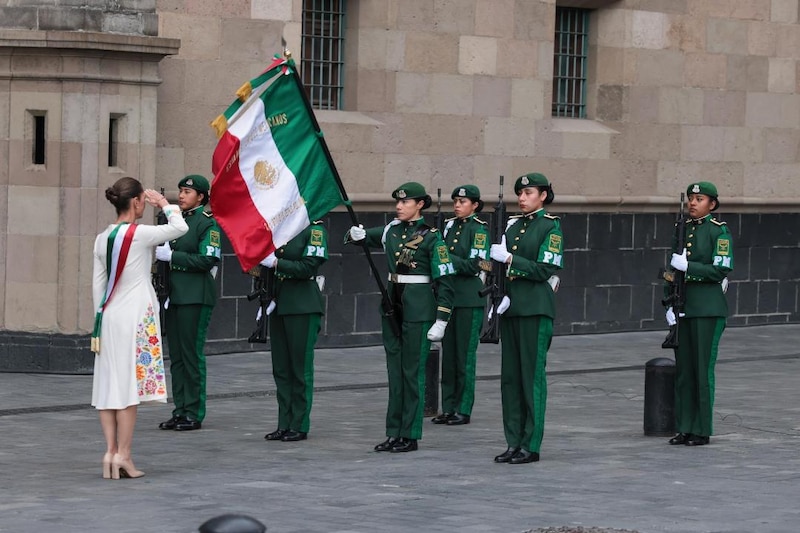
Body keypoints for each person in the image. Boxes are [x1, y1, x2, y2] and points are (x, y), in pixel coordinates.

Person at [346, 182, 455, 453]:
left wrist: (441, 318)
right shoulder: (390, 230)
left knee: (412, 373)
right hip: (393, 305)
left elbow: (445, 280)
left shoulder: (431, 236)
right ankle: (394, 432)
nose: (399, 206)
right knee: (395, 373)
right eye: (397, 202)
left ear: (420, 205)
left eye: (405, 202)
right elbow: (360, 238)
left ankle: (410, 433)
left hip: (418, 308)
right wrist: (355, 233)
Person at [92, 178, 188, 479]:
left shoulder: (102, 238)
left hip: (108, 317)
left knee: (109, 386)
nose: (145, 204)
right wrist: (164, 204)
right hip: (136, 317)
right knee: (128, 389)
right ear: (135, 202)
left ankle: (109, 452)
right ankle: (124, 455)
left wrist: (98, 320)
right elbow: (179, 228)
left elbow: (98, 285)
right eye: (143, 200)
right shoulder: (141, 233)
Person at [489, 173, 563, 464]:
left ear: (543, 195)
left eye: (529, 192)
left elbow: (546, 268)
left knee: (531, 378)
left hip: (535, 308)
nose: (522, 198)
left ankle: (530, 445)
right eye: (519, 193)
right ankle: (513, 441)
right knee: (510, 379)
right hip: (511, 307)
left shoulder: (550, 227)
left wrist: (509, 260)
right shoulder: (511, 225)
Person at [666, 181, 733, 447]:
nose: (693, 203)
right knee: (684, 372)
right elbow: (670, 268)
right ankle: (684, 426)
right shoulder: (680, 229)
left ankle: (701, 429)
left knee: (702, 371)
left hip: (707, 309)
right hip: (683, 307)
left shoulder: (719, 232)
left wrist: (689, 266)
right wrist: (668, 304)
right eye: (691, 198)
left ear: (712, 205)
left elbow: (721, 269)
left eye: (700, 199)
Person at [156, 175, 222, 432]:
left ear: (201, 197)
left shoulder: (207, 224)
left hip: (195, 297)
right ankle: (180, 409)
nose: (181, 196)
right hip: (175, 296)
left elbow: (208, 258)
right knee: (178, 358)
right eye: (180, 191)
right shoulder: (176, 221)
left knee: (191, 356)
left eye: (187, 192)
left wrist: (174, 257)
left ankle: (193, 411)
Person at [261, 221, 329, 442]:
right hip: (279, 301)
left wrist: (277, 263)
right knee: (281, 368)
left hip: (302, 304)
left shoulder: (314, 230)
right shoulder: (281, 228)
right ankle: (284, 423)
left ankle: (299, 424)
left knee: (299, 368)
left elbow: (308, 267)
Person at [431, 185, 490, 426]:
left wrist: (444, 255)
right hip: (449, 297)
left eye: (463, 202)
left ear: (475, 205)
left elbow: (476, 264)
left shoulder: (480, 230)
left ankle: (463, 409)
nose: (457, 205)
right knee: (449, 356)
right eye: (455, 201)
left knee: (465, 356)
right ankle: (449, 406)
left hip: (468, 298)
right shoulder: (449, 226)